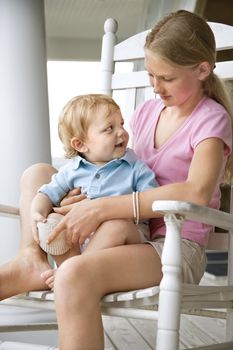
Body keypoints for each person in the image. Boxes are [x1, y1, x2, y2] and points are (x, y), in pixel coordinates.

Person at [0, 9, 233, 350]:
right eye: (150, 75)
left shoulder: (211, 120)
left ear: (201, 70)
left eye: (165, 78)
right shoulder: (146, 112)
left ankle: (66, 266)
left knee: (73, 275)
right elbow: (123, 170)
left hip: (174, 245)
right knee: (37, 174)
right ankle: (30, 259)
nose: (155, 86)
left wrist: (101, 208)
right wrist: (77, 198)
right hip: (128, 233)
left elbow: (196, 191)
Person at [31, 94, 157, 267]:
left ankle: (75, 270)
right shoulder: (72, 170)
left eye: (121, 124)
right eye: (109, 129)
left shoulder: (134, 167)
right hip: (80, 240)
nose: (121, 132)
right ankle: (69, 266)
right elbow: (46, 193)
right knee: (52, 222)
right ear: (81, 144)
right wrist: (37, 212)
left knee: (116, 226)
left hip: (124, 241)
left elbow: (152, 203)